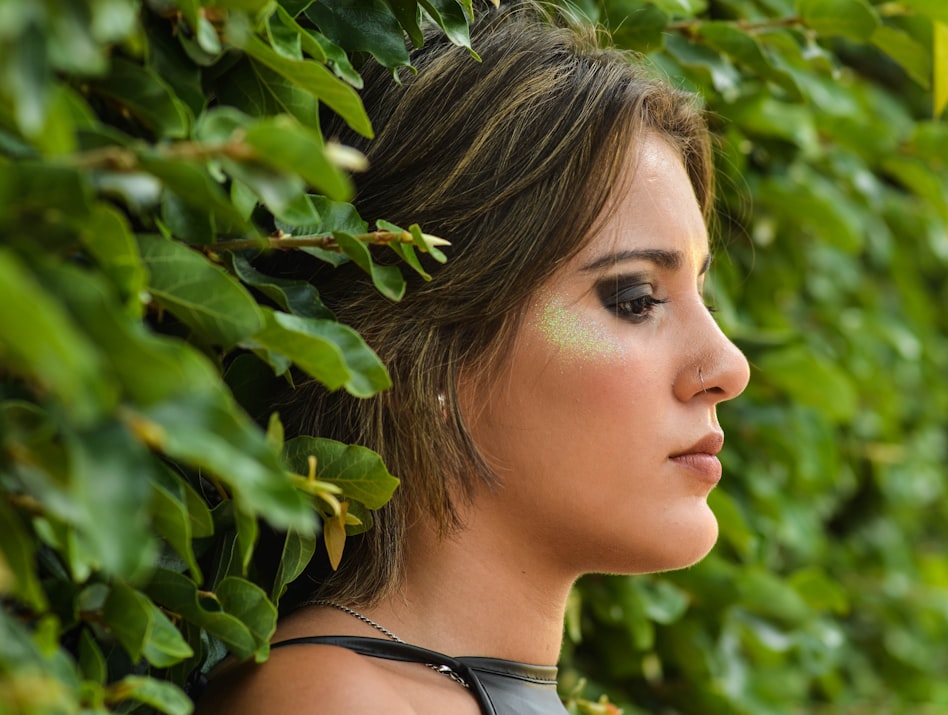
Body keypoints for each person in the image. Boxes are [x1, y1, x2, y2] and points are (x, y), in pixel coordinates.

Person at [196, 4, 749, 714]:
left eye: (699, 291)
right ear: (428, 337)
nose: (727, 364)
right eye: (635, 297)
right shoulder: (333, 700)